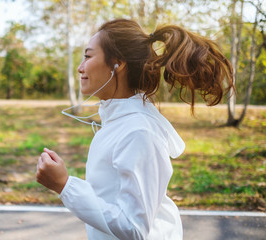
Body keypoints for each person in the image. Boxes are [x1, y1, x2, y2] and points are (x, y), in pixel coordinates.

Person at [36, 19, 233, 240]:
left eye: (88, 56)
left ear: (117, 65)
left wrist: (65, 185)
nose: (81, 67)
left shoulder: (138, 132)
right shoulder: (120, 122)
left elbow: (134, 228)